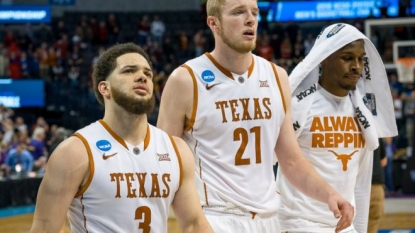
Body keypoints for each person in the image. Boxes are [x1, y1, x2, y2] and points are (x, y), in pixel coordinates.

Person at [157, 0, 354, 232]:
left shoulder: (276, 77)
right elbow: (163, 163)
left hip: (270, 218)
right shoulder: (186, 79)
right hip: (216, 217)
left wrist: (329, 194)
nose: (250, 19)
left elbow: (291, 160)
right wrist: (192, 221)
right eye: (239, 12)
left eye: (254, 12)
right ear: (214, 23)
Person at [30, 43, 213, 233]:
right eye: (129, 71)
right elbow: (44, 229)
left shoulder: (177, 149)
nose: (143, 76)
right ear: (104, 88)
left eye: (148, 74)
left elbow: (194, 224)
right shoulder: (75, 152)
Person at [276, 23, 398, 232]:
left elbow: (361, 182)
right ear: (324, 57)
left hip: (343, 226)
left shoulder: (362, 114)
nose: (356, 67)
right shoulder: (298, 105)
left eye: (361, 59)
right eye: (347, 58)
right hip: (298, 224)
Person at [368, 138, 387, 233]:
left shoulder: (347, 133)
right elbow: (383, 161)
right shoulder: (377, 134)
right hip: (376, 184)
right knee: (373, 221)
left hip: (355, 184)